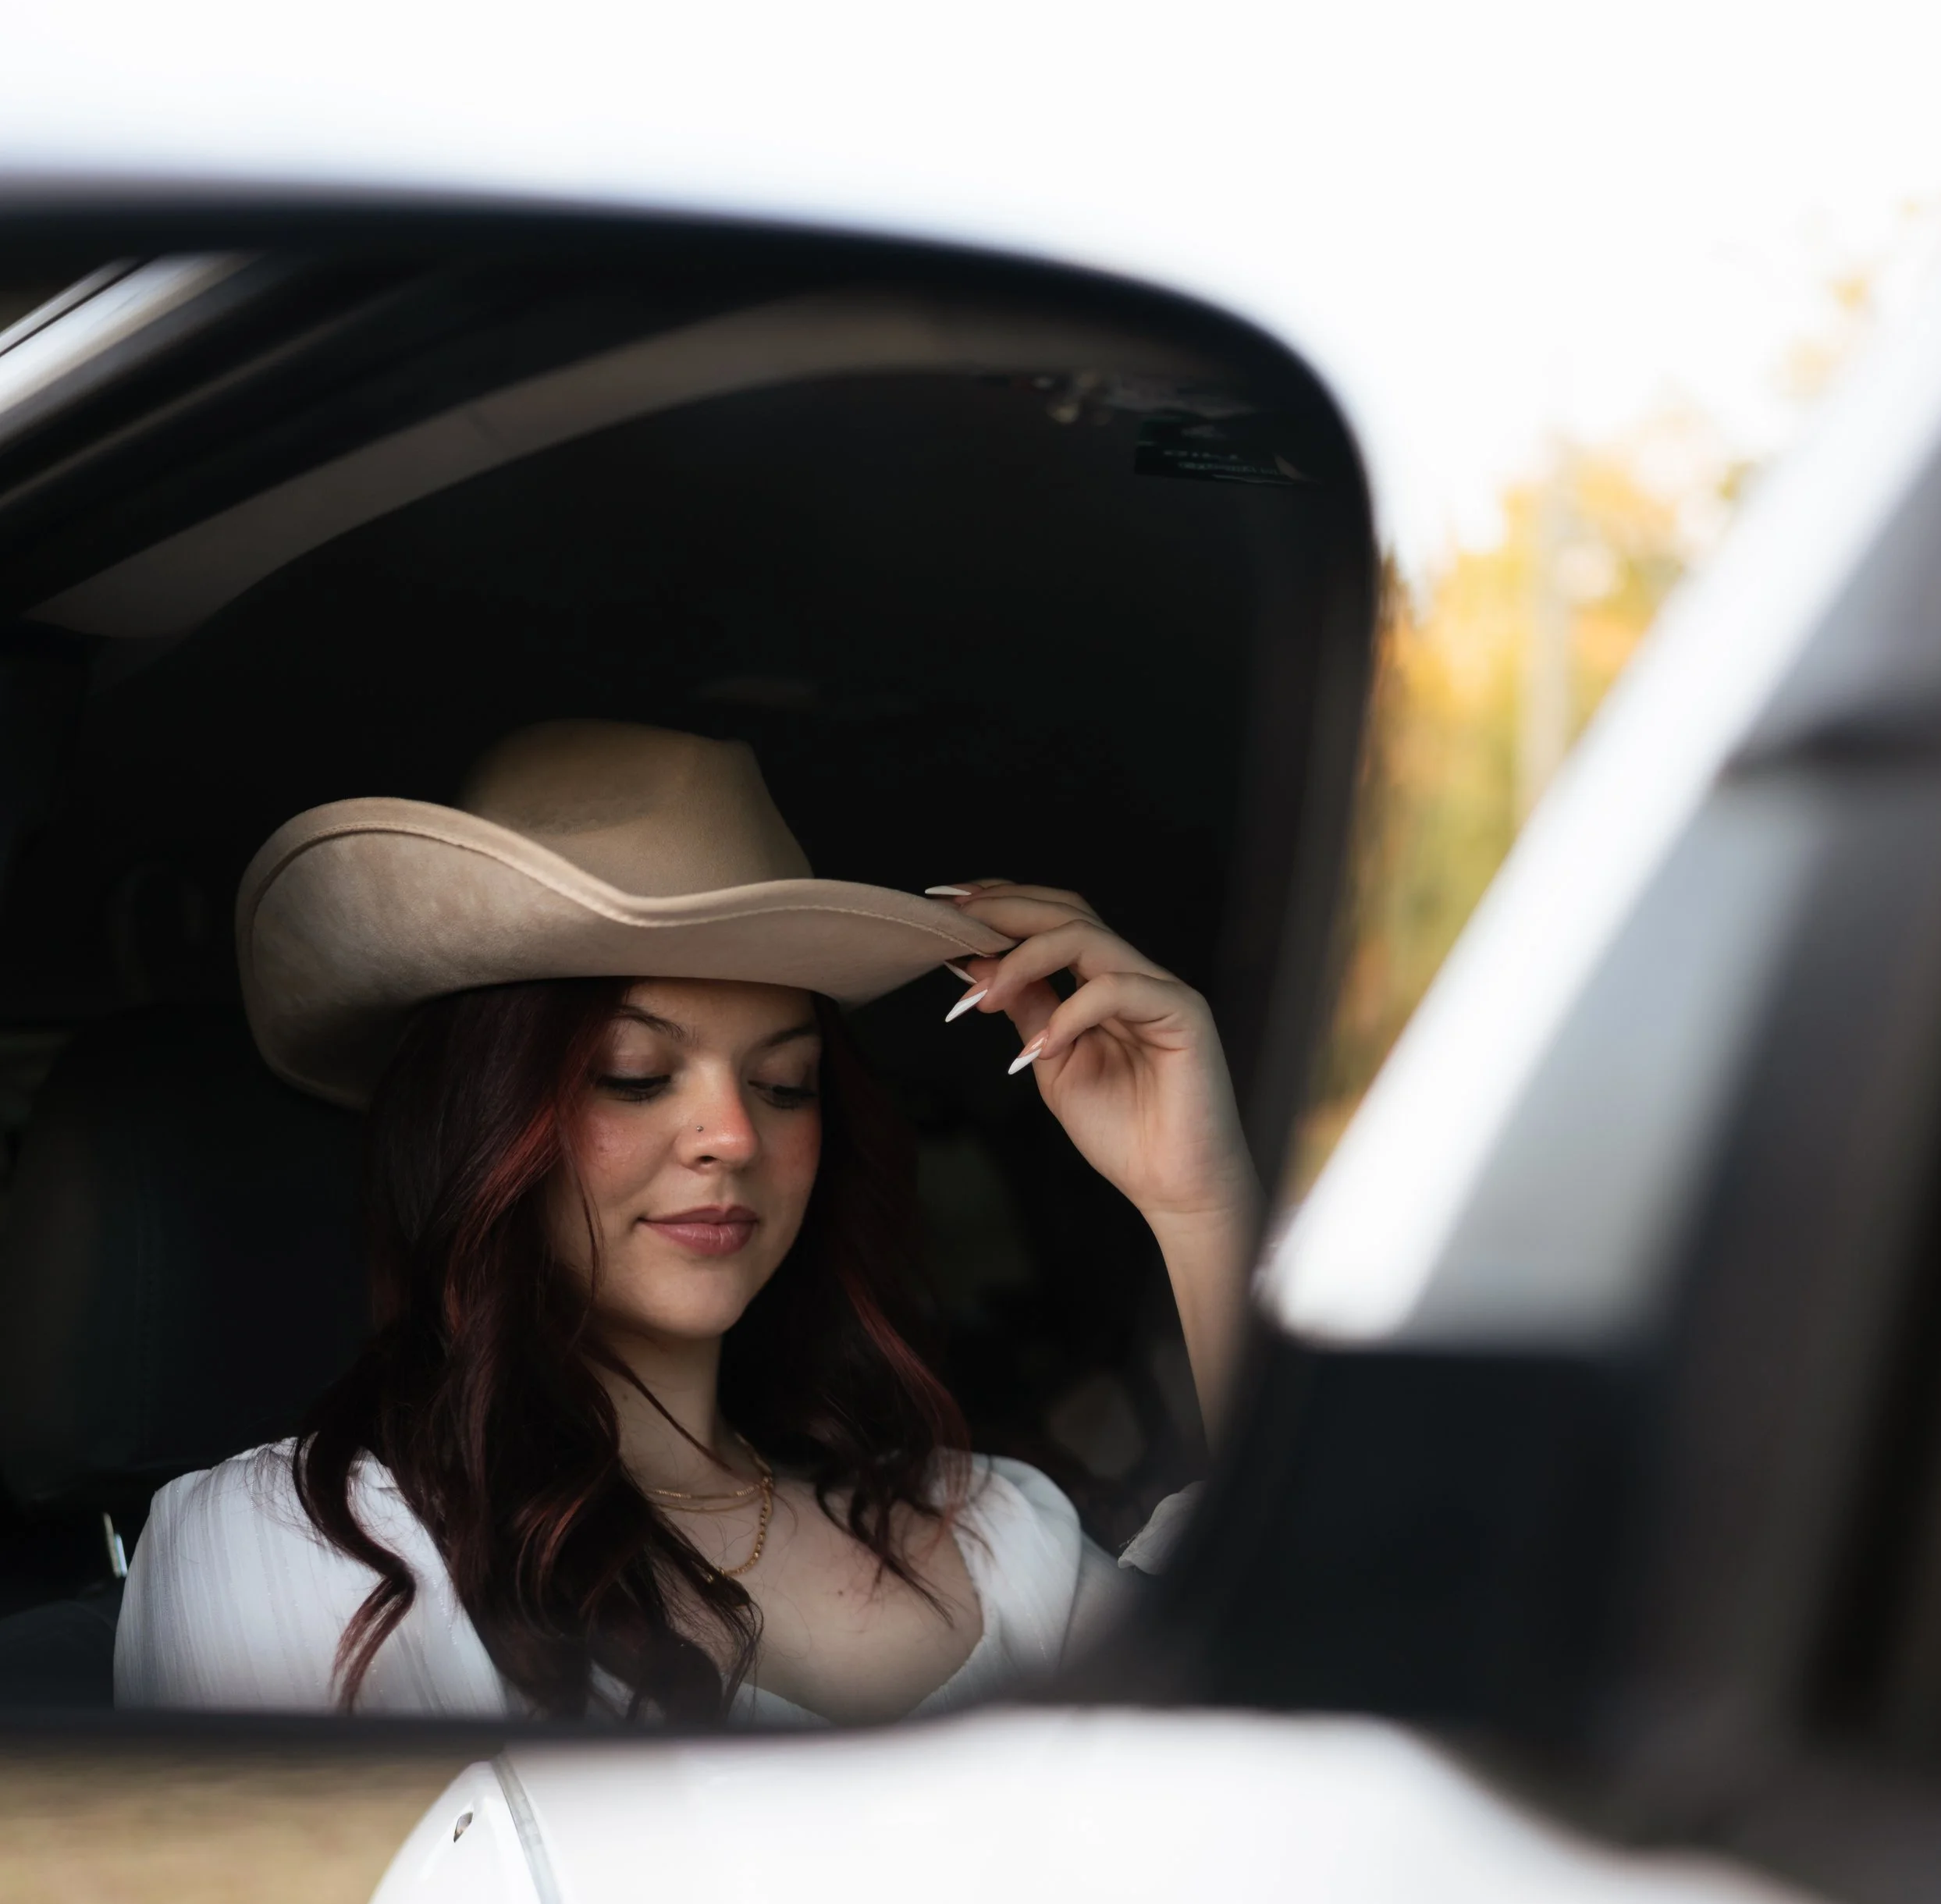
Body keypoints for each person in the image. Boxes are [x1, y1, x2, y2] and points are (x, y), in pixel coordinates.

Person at [115, 721, 1259, 1725]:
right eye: (633, 1073)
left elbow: (1317, 1665)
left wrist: (1199, 1204)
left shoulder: (999, 1533)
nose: (732, 1136)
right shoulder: (308, 1546)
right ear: (482, 1118)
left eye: (784, 1083)